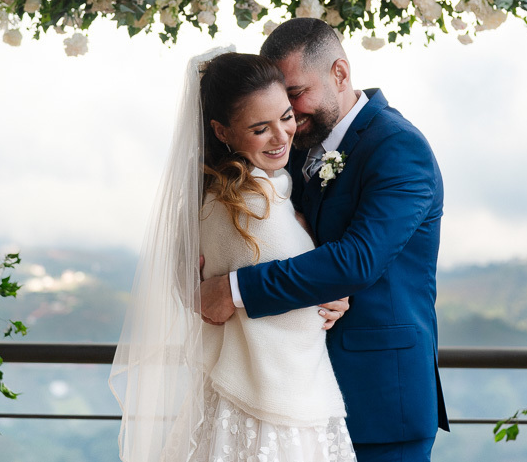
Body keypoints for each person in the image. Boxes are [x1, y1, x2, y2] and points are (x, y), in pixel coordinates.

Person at [200, 19, 450, 462]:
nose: (289, 115)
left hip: (379, 398)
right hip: (297, 396)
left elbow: (357, 262)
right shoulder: (292, 147)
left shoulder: (399, 148)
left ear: (339, 73)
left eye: (295, 95)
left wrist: (234, 290)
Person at [110, 49, 356, 462]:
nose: (281, 137)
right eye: (260, 128)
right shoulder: (245, 206)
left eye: (286, 116)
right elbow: (295, 310)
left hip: (255, 398)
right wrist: (329, 295)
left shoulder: (228, 195)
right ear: (223, 132)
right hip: (272, 411)